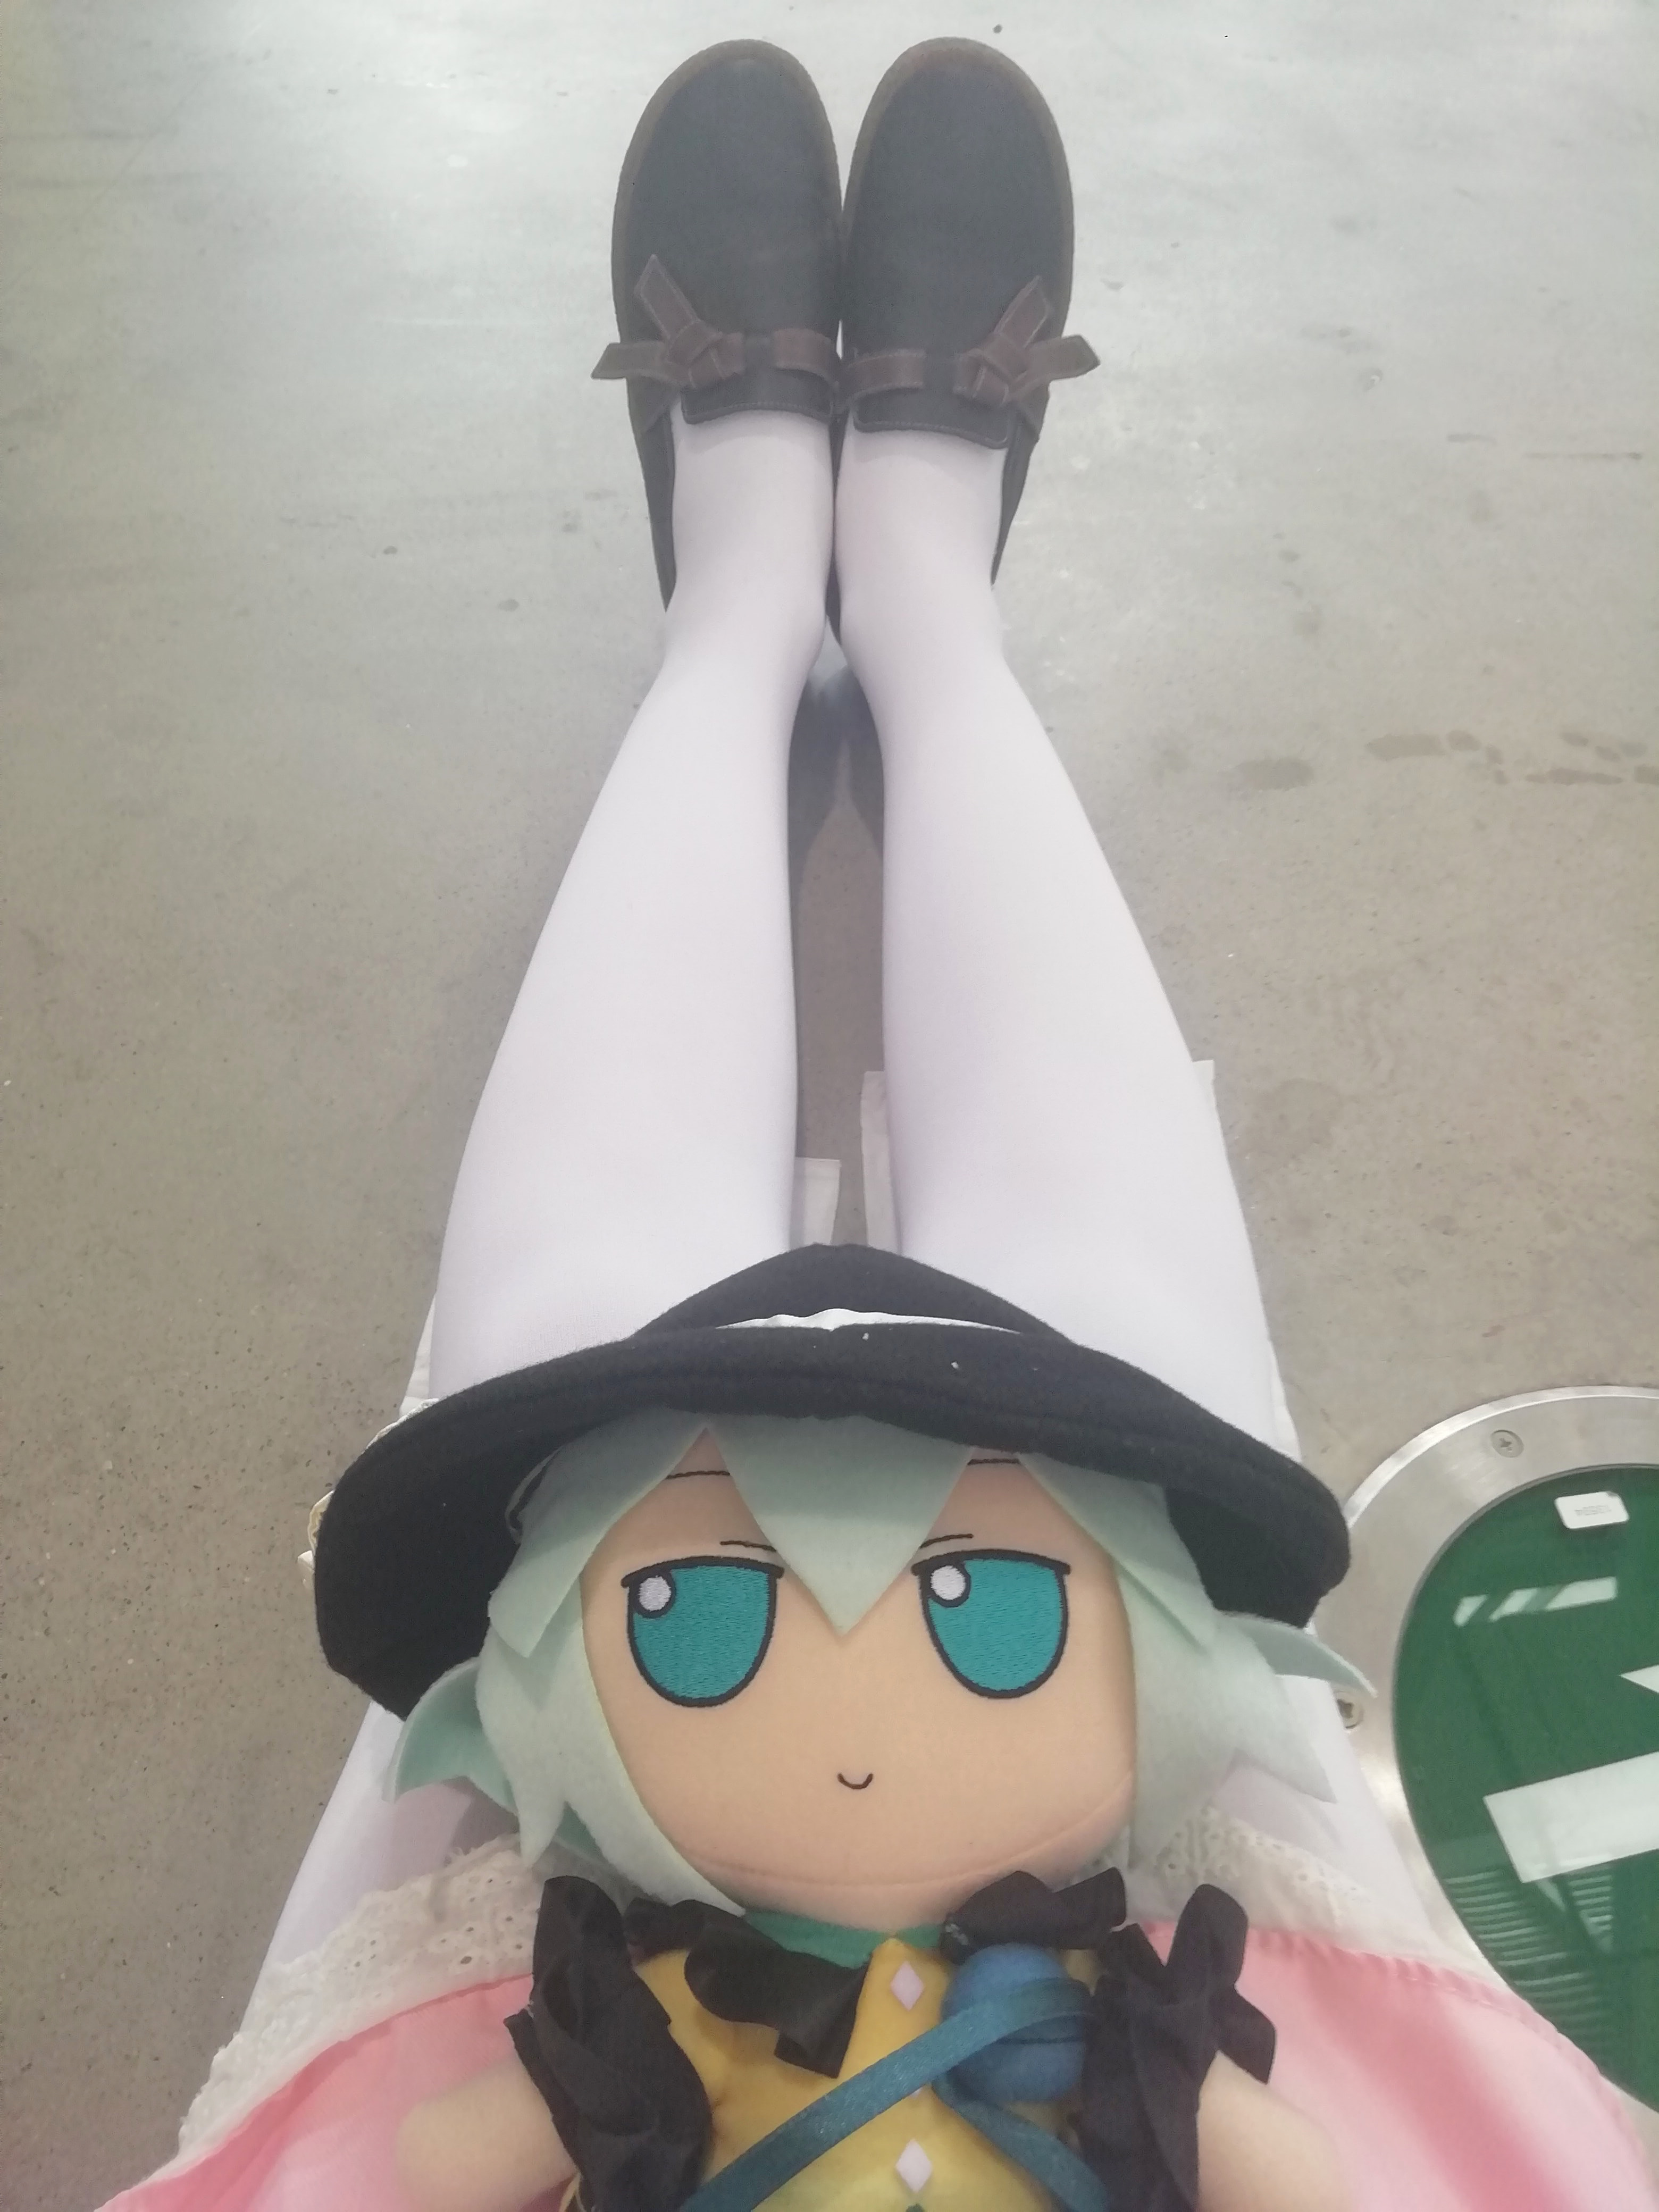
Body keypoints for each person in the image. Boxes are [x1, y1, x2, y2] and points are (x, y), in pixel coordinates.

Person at [100, 39, 1656, 2212]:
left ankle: (744, 585)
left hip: (619, 2008)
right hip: (1138, 2011)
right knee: (1116, 1411)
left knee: (585, 1395)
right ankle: (923, 592)